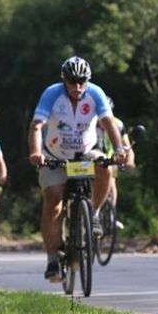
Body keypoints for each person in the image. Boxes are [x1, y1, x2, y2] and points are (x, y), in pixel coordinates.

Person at [28, 56, 126, 282]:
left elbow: (109, 123)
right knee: (53, 199)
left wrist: (118, 149)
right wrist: (36, 153)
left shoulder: (96, 93)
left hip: (86, 151)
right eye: (73, 82)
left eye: (82, 81)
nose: (78, 87)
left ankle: (94, 214)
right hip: (55, 155)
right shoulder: (52, 94)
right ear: (65, 81)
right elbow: (37, 126)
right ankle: (53, 260)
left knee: (105, 168)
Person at [93, 115, 139, 235]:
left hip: (110, 160)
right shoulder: (87, 122)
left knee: (111, 181)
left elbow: (127, 147)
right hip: (91, 160)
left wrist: (130, 161)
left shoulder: (117, 124)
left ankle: (110, 216)